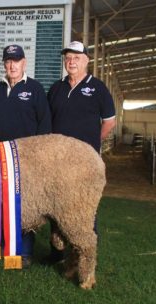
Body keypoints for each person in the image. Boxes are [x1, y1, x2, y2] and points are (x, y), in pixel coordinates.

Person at [47, 40, 116, 262]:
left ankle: (85, 255)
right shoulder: (57, 88)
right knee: (55, 203)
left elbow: (109, 122)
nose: (71, 61)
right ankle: (58, 253)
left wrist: (91, 147)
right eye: (68, 57)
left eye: (76, 57)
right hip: (58, 162)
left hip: (83, 163)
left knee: (84, 207)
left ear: (86, 60)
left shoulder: (97, 87)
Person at [0, 44, 52, 268]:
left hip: (27, 159)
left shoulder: (35, 89)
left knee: (26, 205)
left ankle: (25, 252)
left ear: (24, 63)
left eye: (16, 61)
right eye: (8, 61)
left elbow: (45, 124)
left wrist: (40, 157)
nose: (11, 65)